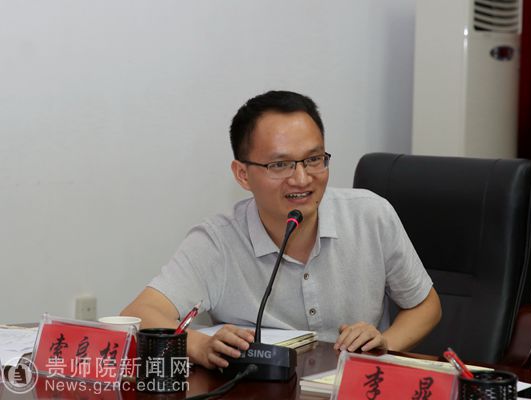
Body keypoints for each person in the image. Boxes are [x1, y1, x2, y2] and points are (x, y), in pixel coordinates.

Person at [121, 90, 441, 370]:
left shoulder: (371, 216)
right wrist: (198, 345)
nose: (302, 179)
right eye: (280, 165)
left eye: (313, 159)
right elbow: (140, 313)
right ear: (243, 174)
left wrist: (383, 345)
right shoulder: (217, 241)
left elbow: (425, 305)